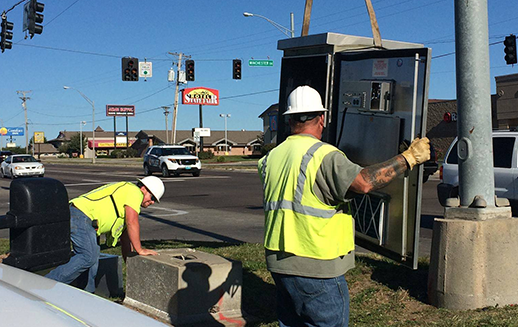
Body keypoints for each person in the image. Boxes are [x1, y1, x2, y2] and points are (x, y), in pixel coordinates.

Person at [257, 85, 430, 327]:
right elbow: (364, 183)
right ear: (321, 118)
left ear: (289, 120)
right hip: (316, 265)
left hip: (280, 262)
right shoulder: (323, 155)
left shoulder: (270, 157)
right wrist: (408, 158)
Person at [46, 176, 165, 292]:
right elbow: (132, 222)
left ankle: (86, 295)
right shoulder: (134, 191)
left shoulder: (127, 200)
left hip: (85, 220)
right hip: (81, 215)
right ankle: (47, 284)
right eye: (152, 197)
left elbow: (125, 240)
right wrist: (140, 249)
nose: (152, 202)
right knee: (88, 256)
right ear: (143, 188)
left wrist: (129, 263)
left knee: (92, 262)